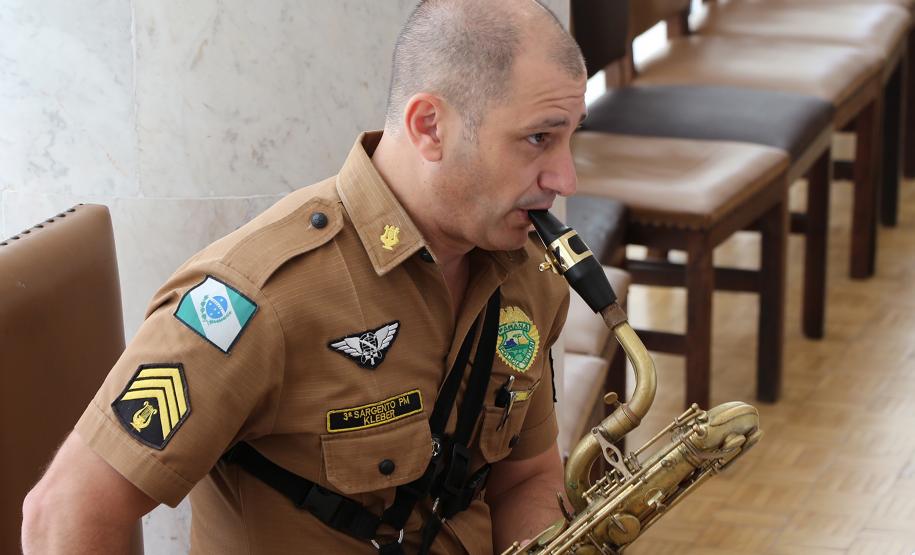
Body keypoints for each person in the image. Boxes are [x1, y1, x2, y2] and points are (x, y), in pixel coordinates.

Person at [22, 0, 587, 552]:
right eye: (539, 138)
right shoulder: (259, 297)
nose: (567, 178)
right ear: (429, 127)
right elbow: (66, 510)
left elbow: (527, 477)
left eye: (571, 137)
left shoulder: (532, 274)